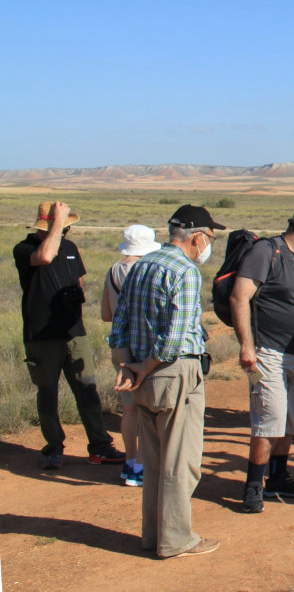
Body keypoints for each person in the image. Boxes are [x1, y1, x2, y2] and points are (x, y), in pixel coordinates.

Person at [110, 205, 223, 559]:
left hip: (141, 375)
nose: (209, 244)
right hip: (173, 372)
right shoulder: (186, 272)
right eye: (209, 237)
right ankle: (176, 540)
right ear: (197, 237)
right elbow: (175, 337)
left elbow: (119, 323)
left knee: (155, 460)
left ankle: (153, 535)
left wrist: (129, 365)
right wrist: (145, 366)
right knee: (181, 461)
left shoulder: (141, 264)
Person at [231, 205, 294, 513]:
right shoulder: (267, 251)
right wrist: (247, 345)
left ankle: (277, 477)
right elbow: (240, 296)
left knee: (290, 420)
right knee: (268, 420)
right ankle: (252, 487)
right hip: (267, 352)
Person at [13, 201, 124, 470]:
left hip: (74, 333)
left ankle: (99, 446)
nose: (66, 232)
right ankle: (54, 448)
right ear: (45, 226)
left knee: (87, 390)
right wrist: (57, 223)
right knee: (48, 392)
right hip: (42, 335)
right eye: (62, 227)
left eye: (67, 227)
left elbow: (78, 282)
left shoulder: (71, 248)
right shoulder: (25, 248)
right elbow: (45, 257)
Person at [102, 224, 162, 486]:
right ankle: (148, 464)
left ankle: (131, 463)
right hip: (144, 347)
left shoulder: (113, 271)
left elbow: (106, 314)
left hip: (119, 346)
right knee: (152, 410)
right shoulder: (148, 270)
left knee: (129, 410)